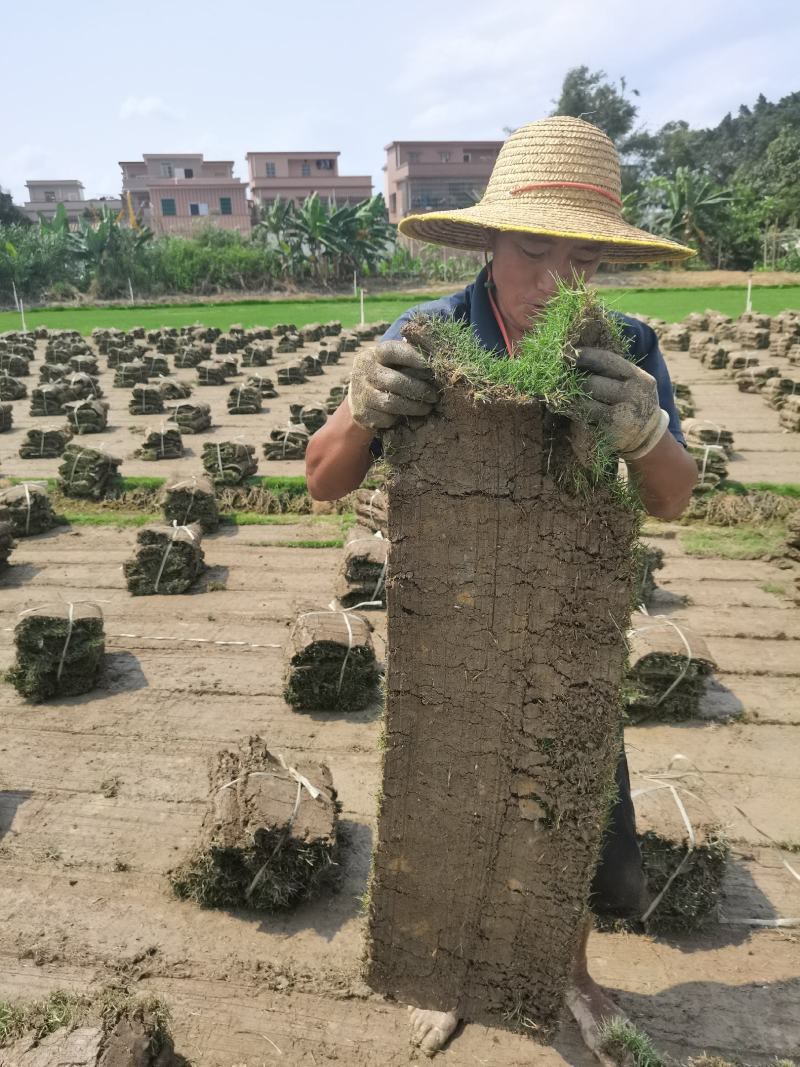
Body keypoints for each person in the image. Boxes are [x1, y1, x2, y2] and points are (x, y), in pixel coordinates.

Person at [306, 117, 698, 1059]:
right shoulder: (430, 336)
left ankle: (571, 974)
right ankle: (448, 975)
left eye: (582, 256)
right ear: (488, 240)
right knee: (448, 791)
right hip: (457, 615)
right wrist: (363, 403)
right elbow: (322, 477)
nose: (557, 278)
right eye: (533, 248)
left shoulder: (627, 344)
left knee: (567, 800)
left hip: (570, 620)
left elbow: (676, 498)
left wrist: (644, 434)